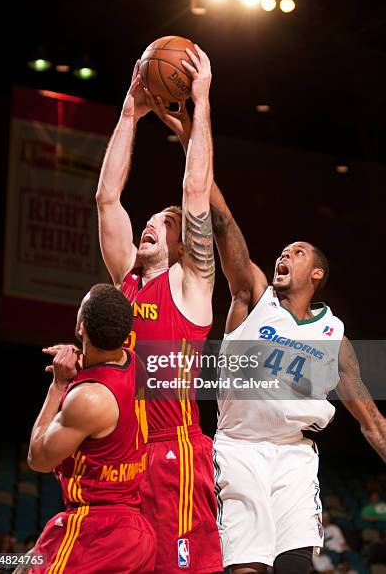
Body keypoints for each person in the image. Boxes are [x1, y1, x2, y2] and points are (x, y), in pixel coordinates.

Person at [207, 183, 386, 574]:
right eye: (284, 251)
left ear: (316, 273)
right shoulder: (253, 296)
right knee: (247, 566)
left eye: (298, 252)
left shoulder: (333, 336)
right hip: (239, 448)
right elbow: (221, 221)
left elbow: (372, 423)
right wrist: (192, 142)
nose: (285, 254)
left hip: (293, 453)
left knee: (295, 564)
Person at [95, 46, 222, 573]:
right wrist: (129, 111)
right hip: (123, 454)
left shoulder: (190, 284)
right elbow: (107, 198)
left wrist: (202, 101)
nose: (149, 225)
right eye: (147, 220)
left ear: (178, 244)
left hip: (176, 456)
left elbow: (195, 190)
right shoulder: (125, 280)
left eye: (162, 224)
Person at [25, 284, 156, 574]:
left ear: (80, 327)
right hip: (137, 532)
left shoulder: (87, 400)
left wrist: (58, 385)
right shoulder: (138, 363)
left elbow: (38, 458)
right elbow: (108, 367)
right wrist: (82, 360)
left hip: (95, 529)